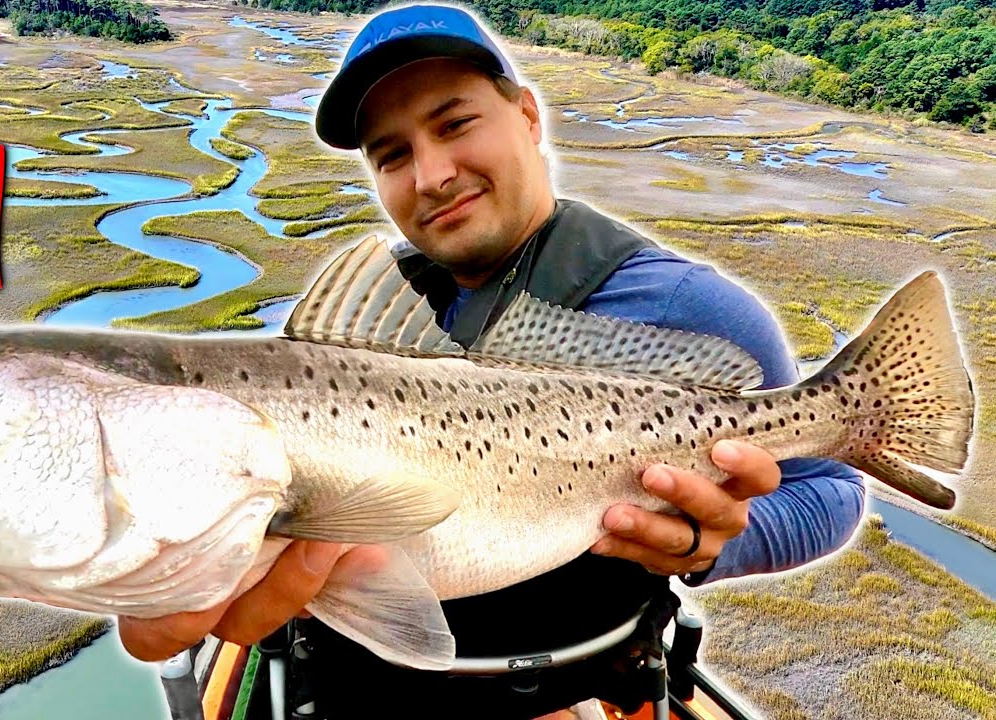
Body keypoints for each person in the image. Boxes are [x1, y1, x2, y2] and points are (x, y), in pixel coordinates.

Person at [117, 3, 867, 718]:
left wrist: (704, 550)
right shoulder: (328, 346)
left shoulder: (691, 309)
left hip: (573, 685)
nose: (432, 174)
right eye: (393, 155)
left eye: (455, 123)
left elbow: (830, 491)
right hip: (356, 683)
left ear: (530, 117)